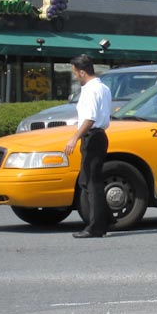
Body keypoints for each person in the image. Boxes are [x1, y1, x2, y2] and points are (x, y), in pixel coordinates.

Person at [65, 54, 112, 238]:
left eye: (75, 73)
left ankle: (96, 227)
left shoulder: (90, 90)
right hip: (99, 136)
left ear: (82, 72)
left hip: (92, 137)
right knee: (87, 180)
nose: (76, 76)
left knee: (92, 183)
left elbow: (90, 118)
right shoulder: (103, 87)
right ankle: (106, 217)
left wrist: (74, 137)